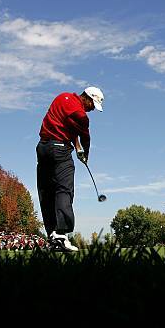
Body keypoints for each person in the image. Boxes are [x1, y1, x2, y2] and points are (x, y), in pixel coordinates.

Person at [36, 87, 104, 252]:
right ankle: (61, 234)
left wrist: (77, 148)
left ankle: (52, 235)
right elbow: (85, 137)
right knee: (64, 190)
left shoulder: (62, 97)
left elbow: (67, 126)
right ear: (87, 98)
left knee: (46, 192)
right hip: (60, 151)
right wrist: (85, 153)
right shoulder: (82, 115)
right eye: (92, 105)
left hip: (43, 148)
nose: (92, 109)